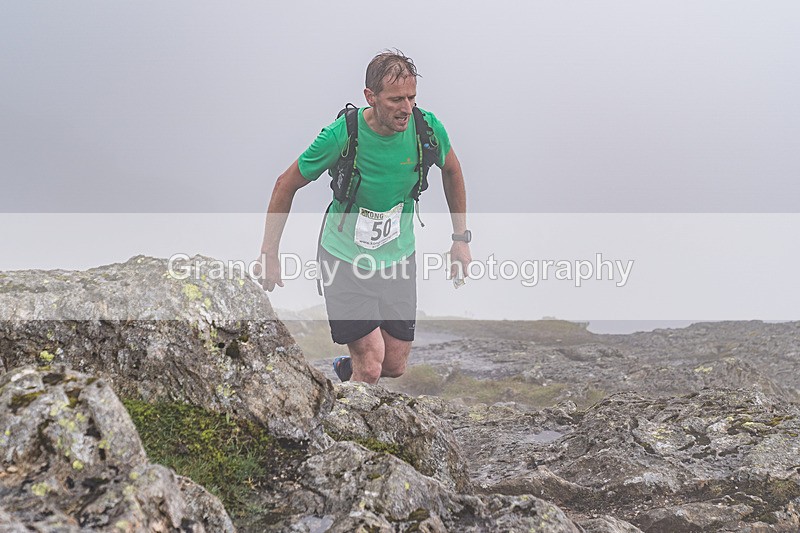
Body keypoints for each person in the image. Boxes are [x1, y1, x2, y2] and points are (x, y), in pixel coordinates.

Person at [259, 50, 471, 384]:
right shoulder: (341, 135)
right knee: (371, 364)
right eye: (395, 99)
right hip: (344, 259)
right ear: (370, 97)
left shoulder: (426, 129)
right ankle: (343, 426)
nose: (406, 108)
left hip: (398, 258)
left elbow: (453, 171)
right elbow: (284, 185)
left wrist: (460, 239)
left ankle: (346, 370)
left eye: (411, 98)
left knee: (394, 365)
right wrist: (270, 252)